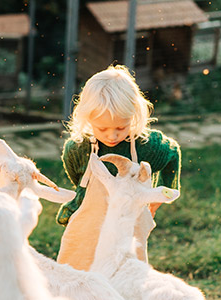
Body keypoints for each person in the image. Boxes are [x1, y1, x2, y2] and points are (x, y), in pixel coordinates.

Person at [55, 65, 181, 270]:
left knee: (125, 276)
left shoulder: (148, 147)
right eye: (102, 128)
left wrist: (162, 192)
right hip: (89, 228)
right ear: (88, 119)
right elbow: (80, 183)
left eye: (121, 128)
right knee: (78, 272)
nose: (112, 136)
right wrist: (75, 207)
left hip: (127, 227)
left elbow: (172, 153)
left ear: (133, 115)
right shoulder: (77, 150)